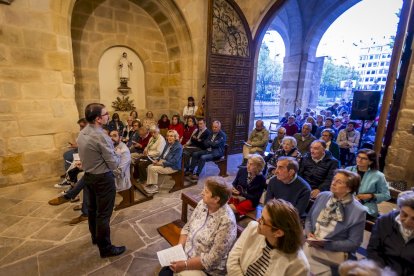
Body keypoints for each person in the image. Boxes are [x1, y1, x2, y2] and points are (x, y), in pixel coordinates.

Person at [159, 176, 237, 276]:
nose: (202, 193)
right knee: (164, 272)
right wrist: (179, 248)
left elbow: (212, 260)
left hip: (206, 269)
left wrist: (185, 265)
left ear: (216, 199)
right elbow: (188, 227)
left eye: (206, 191)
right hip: (187, 256)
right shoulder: (202, 204)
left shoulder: (227, 222)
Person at [76, 103, 125, 258]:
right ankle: (106, 248)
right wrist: (117, 154)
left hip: (89, 176)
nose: (108, 116)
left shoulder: (82, 132)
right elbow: (114, 163)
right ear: (98, 119)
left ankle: (95, 238)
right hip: (103, 178)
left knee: (92, 210)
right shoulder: (101, 137)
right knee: (103, 215)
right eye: (105, 114)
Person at [304, 169, 366, 275]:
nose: (333, 183)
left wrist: (325, 244)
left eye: (339, 182)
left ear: (349, 188)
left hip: (331, 253)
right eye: (334, 179)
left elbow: (354, 243)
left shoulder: (358, 211)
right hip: (311, 244)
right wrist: (309, 232)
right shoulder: (323, 196)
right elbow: (309, 218)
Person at [227, 199, 310, 276]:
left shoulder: (299, 265)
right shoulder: (253, 228)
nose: (258, 220)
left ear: (278, 233)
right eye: (261, 215)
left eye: (262, 220)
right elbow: (233, 258)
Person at [367, 191, 414, 276]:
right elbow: (373, 250)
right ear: (400, 208)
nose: (407, 221)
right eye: (404, 214)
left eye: (413, 219)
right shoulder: (384, 221)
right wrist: (382, 272)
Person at [346, 149, 390, 218]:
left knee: (354, 214)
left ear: (370, 162)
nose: (359, 160)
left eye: (364, 158)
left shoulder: (378, 176)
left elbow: (386, 195)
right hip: (346, 202)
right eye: (358, 157)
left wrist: (371, 196)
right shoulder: (348, 170)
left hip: (366, 206)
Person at [143, 130, 182, 194]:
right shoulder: (167, 143)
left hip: (172, 166)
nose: (169, 137)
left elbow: (174, 161)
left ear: (175, 137)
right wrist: (157, 160)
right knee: (149, 166)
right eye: (168, 136)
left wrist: (161, 163)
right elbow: (162, 155)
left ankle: (154, 188)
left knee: (153, 169)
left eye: (171, 136)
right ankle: (151, 184)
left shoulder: (178, 147)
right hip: (164, 161)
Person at [109, 130, 132, 210]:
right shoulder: (113, 146)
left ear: (120, 138)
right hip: (113, 174)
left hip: (121, 178)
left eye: (115, 136)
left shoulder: (124, 150)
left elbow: (120, 170)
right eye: (110, 136)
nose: (111, 138)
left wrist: (107, 174)